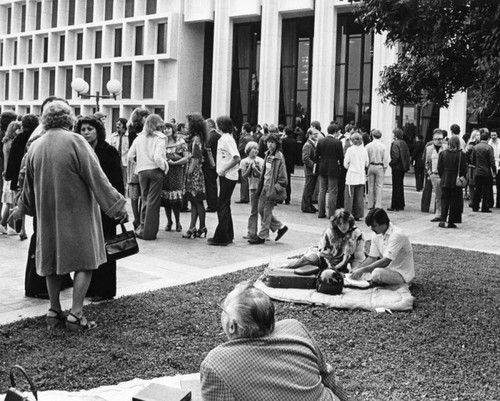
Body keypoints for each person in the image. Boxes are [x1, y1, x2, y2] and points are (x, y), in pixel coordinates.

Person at [11, 100, 127, 330]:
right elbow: (97, 177)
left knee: (52, 262)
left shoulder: (36, 145)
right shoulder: (77, 141)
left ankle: (54, 311)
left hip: (47, 215)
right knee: (86, 261)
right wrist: (116, 206)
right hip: (78, 212)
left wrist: (21, 208)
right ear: (68, 118)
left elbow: (27, 185)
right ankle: (76, 314)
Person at [200, 281, 349, 401]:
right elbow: (329, 377)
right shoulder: (295, 327)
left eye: (223, 308)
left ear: (232, 326)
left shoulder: (215, 364)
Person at [76, 116, 125, 301]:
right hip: (85, 206)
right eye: (83, 129)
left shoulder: (108, 151)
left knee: (106, 247)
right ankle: (87, 287)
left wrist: (118, 205)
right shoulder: (78, 150)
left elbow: (117, 180)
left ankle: (104, 289)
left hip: (105, 206)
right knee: (88, 248)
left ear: (98, 131)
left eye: (90, 129)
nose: (86, 132)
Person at [286, 208, 365, 274]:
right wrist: (329, 268)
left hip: (343, 262)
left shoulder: (357, 234)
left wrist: (355, 270)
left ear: (349, 222)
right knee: (311, 260)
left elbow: (358, 257)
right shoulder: (330, 233)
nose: (343, 226)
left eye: (345, 223)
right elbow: (323, 253)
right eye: (339, 224)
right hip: (324, 258)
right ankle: (286, 265)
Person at [128, 114, 169, 240]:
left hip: (142, 171)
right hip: (155, 171)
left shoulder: (139, 137)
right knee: (153, 202)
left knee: (145, 200)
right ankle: (149, 233)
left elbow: (130, 155)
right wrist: (165, 167)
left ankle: (142, 228)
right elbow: (157, 156)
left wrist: (139, 162)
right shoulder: (160, 137)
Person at [351, 208, 414, 286]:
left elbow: (385, 261)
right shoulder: (376, 235)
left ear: (384, 223)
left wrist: (363, 270)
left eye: (374, 226)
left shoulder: (397, 235)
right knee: (363, 271)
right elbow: (372, 258)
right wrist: (357, 269)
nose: (372, 229)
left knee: (376, 273)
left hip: (402, 275)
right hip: (387, 270)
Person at [248, 133, 288, 244]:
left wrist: (277, 186)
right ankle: (280, 227)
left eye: (272, 142)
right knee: (261, 209)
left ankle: (262, 236)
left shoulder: (279, 157)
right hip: (264, 186)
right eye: (268, 142)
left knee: (266, 211)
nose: (270, 145)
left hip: (271, 188)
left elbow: (283, 176)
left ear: (277, 143)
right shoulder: (268, 155)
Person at [4, 114, 39, 240]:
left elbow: (13, 158)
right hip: (33, 173)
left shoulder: (19, 138)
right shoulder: (36, 137)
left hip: (20, 174)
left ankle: (21, 228)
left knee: (20, 200)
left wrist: (9, 175)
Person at [208, 115, 240, 246]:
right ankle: (227, 234)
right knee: (225, 205)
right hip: (224, 176)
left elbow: (236, 158)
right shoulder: (223, 139)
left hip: (228, 176)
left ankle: (221, 236)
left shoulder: (227, 139)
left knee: (222, 206)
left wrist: (224, 169)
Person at [181, 113, 207, 239]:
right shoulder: (196, 138)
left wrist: (189, 172)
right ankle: (195, 227)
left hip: (194, 172)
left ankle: (200, 226)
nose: (186, 127)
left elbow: (196, 157)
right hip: (195, 171)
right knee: (194, 201)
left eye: (188, 125)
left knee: (197, 201)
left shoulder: (196, 139)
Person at [162, 122, 189, 232]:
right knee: (166, 199)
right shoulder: (161, 142)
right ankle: (169, 221)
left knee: (175, 200)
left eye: (168, 128)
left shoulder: (180, 142)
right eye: (164, 129)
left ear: (173, 130)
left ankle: (178, 221)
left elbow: (186, 158)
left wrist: (175, 162)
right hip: (165, 172)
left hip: (176, 172)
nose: (166, 130)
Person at [127, 107, 151, 229]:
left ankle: (143, 218)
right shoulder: (133, 131)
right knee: (135, 192)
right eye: (145, 117)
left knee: (144, 192)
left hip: (143, 162)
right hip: (136, 163)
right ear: (140, 118)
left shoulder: (147, 130)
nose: (147, 119)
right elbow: (133, 151)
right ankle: (137, 219)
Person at [315, 123, 344, 219]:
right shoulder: (337, 142)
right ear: (335, 132)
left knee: (322, 190)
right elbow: (341, 157)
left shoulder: (321, 141)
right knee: (332, 191)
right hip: (333, 168)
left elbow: (316, 155)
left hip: (322, 167)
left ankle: (321, 212)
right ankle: (331, 214)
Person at [437, 136, 467, 228]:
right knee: (454, 202)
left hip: (445, 179)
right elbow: (463, 169)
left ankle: (442, 220)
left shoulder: (442, 153)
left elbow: (439, 168)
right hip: (455, 181)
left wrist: (443, 176)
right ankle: (451, 221)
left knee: (444, 201)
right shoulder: (461, 154)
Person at [240, 141, 264, 241]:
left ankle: (263, 232)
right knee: (253, 211)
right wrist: (249, 168)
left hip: (261, 187)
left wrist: (256, 170)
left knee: (262, 210)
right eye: (254, 148)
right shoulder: (244, 161)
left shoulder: (261, 161)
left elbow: (263, 176)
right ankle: (251, 232)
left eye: (257, 149)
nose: (256, 151)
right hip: (252, 187)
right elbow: (243, 176)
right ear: (249, 150)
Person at [1, 121, 21, 235]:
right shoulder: (13, 142)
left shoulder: (5, 141)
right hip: (11, 174)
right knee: (10, 201)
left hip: (6, 173)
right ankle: (5, 224)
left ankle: (6, 225)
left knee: (9, 201)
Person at [343, 132, 368, 221]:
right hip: (361, 174)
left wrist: (349, 166)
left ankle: (348, 214)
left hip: (351, 175)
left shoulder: (350, 150)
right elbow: (367, 163)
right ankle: (358, 214)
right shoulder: (364, 150)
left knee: (349, 195)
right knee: (359, 196)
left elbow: (345, 163)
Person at [471, 131, 497, 213]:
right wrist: (494, 171)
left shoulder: (475, 147)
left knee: (477, 189)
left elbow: (473, 160)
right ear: (487, 139)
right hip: (486, 172)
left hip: (478, 171)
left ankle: (475, 206)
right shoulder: (489, 148)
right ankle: (485, 207)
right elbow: (491, 161)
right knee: (486, 190)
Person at [424, 129, 446, 222]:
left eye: (440, 139)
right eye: (436, 139)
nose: (439, 141)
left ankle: (445, 214)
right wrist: (430, 173)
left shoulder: (446, 148)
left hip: (444, 175)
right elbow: (426, 162)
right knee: (438, 196)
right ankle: (439, 214)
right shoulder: (429, 149)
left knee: (445, 195)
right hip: (435, 175)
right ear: (433, 139)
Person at [388, 128, 410, 212]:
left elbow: (395, 156)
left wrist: (391, 164)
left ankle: (395, 205)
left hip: (397, 167)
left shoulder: (395, 143)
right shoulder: (404, 143)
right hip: (402, 167)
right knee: (400, 186)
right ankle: (401, 204)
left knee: (396, 186)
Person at [365, 129, 388, 209]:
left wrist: (367, 166)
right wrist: (385, 168)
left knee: (370, 186)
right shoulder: (383, 146)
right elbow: (385, 159)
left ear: (372, 136)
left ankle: (370, 204)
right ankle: (378, 204)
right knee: (379, 186)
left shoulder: (368, 146)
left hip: (371, 165)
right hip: (379, 166)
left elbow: (366, 158)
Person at [108, 117, 129, 194]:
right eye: (117, 124)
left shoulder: (128, 136)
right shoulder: (113, 136)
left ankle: (124, 196)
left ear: (124, 125)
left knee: (124, 181)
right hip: (115, 161)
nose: (117, 126)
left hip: (125, 162)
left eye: (119, 124)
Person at [204, 118, 220, 212]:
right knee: (213, 184)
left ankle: (212, 204)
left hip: (210, 164)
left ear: (209, 125)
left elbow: (207, 151)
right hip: (216, 163)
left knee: (210, 185)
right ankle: (214, 202)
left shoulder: (210, 136)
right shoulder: (218, 135)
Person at [301, 127, 319, 213]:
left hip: (312, 171)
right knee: (308, 188)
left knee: (311, 188)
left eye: (317, 134)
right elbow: (305, 158)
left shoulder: (312, 144)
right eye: (315, 134)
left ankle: (308, 204)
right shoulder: (307, 145)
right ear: (310, 135)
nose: (316, 136)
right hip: (309, 171)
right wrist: (314, 166)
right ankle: (306, 206)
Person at [281, 126, 297, 204]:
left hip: (284, 162)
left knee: (281, 179)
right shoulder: (294, 141)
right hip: (290, 162)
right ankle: (288, 198)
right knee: (288, 180)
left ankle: (281, 197)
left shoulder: (283, 140)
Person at [487, 129, 500, 208]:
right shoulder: (489, 143)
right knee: (489, 184)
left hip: (499, 164)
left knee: (499, 184)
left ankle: (499, 203)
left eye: (494, 135)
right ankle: (490, 202)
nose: (493, 137)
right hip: (490, 165)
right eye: (492, 135)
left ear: (497, 135)